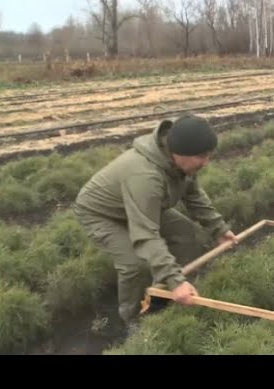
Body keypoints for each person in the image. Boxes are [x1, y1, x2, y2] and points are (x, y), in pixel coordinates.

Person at [73, 114, 237, 328]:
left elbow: (194, 195)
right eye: (201, 156)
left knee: (185, 232)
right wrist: (175, 280)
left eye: (208, 155)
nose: (206, 162)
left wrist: (219, 229)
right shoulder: (145, 176)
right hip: (102, 213)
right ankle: (131, 317)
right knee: (133, 264)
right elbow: (147, 234)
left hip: (137, 204)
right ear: (179, 153)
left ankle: (166, 290)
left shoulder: (181, 163)